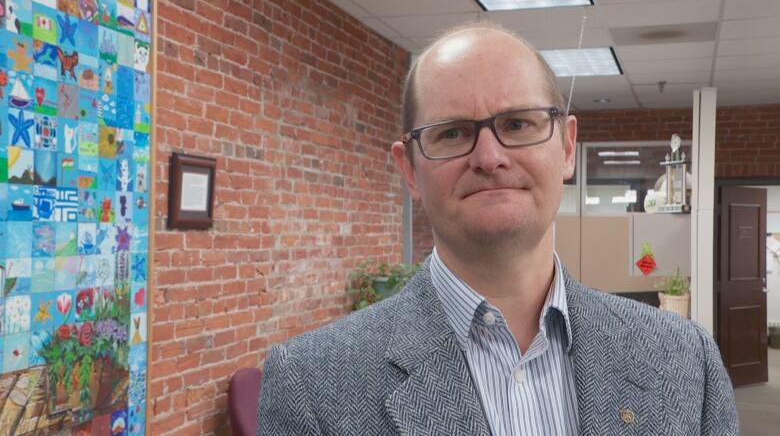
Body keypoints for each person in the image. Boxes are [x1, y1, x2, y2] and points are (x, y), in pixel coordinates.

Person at [257, 22, 738, 435]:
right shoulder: (313, 385)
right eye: (452, 132)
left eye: (518, 124)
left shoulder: (683, 359)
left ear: (567, 148)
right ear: (409, 171)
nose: (489, 158)